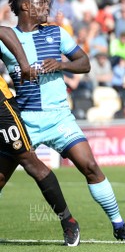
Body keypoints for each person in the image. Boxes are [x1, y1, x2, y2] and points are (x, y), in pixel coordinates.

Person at [0, 0, 125, 243]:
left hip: (59, 117)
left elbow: (85, 62)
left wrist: (63, 64)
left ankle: (119, 225)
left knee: (90, 167)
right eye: (40, 4)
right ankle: (67, 221)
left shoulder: (56, 33)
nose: (47, 8)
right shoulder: (8, 36)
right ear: (25, 7)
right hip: (24, 120)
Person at [0, 26, 80, 246]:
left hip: (2, 110)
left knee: (29, 162)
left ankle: (68, 221)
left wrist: (24, 65)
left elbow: (4, 31)